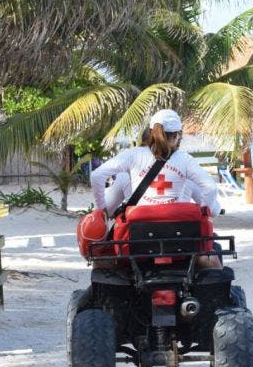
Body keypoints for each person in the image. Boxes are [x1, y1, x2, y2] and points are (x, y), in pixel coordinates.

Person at [91, 109, 222, 266]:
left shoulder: (133, 155)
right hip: (180, 243)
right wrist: (204, 213)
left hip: (137, 242)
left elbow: (96, 176)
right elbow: (210, 187)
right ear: (176, 135)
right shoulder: (185, 160)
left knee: (101, 263)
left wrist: (102, 210)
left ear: (151, 132)